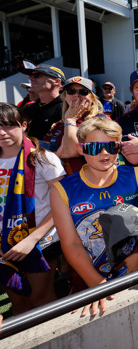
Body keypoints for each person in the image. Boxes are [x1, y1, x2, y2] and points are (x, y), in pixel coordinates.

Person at [50, 117, 138, 316]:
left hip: (135, 268)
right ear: (81, 149)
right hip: (88, 275)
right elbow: (70, 244)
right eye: (94, 147)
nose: (104, 153)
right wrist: (97, 284)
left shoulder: (136, 175)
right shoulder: (62, 189)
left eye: (111, 146)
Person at [0, 103, 66, 315]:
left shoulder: (43, 158)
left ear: (24, 126)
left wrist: (31, 239)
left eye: (9, 126)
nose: (2, 132)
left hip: (40, 242)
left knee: (41, 300)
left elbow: (63, 202)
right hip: (3, 244)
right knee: (19, 303)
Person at [43, 77, 104, 175]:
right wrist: (58, 154)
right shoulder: (59, 124)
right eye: (71, 91)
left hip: (89, 182)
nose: (76, 95)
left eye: (83, 92)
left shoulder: (101, 120)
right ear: (65, 96)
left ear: (92, 98)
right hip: (62, 183)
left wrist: (70, 121)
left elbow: (73, 151)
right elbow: (43, 153)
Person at [20, 63, 66, 140]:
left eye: (36, 75)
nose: (30, 78)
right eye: (31, 75)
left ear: (57, 81)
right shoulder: (26, 109)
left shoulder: (65, 108)